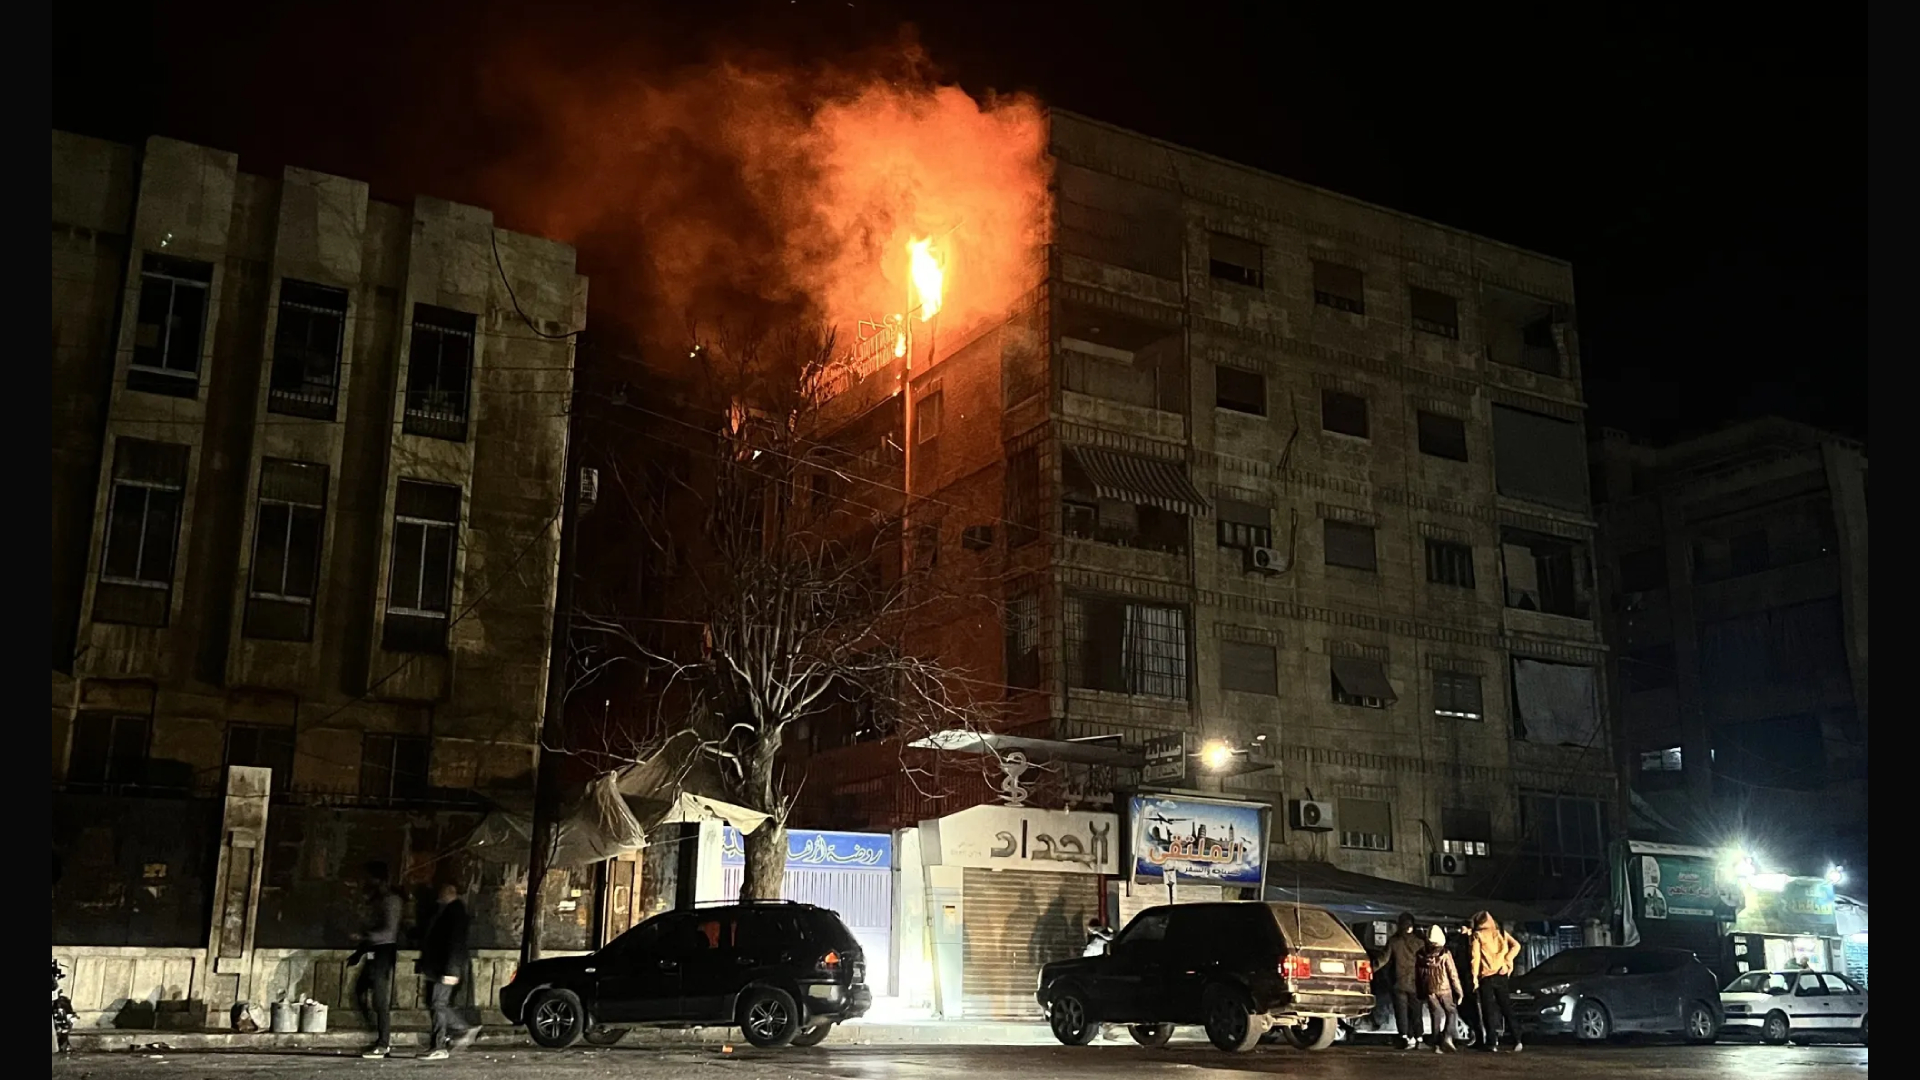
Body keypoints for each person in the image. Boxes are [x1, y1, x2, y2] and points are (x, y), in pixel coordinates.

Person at [418, 882, 477, 1060]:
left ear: (449, 893)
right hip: (439, 967)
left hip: (445, 967)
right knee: (434, 1002)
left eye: (441, 892)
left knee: (438, 1004)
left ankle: (444, 1042)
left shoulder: (455, 913)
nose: (439, 896)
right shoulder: (448, 911)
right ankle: (447, 1037)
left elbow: (455, 944)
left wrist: (451, 970)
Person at [351, 862, 405, 1058]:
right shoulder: (378, 899)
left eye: (369, 878)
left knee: (379, 998)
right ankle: (378, 1034)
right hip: (374, 951)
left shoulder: (391, 901)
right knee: (361, 991)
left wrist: (365, 936)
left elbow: (388, 932)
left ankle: (383, 1042)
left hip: (383, 952)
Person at [1468, 911, 1523, 1053]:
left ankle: (1492, 1042)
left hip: (1486, 976)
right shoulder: (1501, 933)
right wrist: (1507, 961)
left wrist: (1474, 978)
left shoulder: (1478, 935)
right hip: (1501, 974)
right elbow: (1516, 946)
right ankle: (1517, 1039)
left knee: (1488, 1010)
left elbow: (1475, 958)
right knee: (1506, 1007)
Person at [1380, 912, 1426, 1049]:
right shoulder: (1420, 943)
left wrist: (1371, 967)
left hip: (1398, 982)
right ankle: (1419, 1038)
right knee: (1416, 1012)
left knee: (1401, 1012)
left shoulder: (1394, 942)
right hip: (1415, 983)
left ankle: (1404, 1037)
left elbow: (1383, 959)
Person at [1418, 925, 1463, 1053]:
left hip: (1430, 989)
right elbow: (1453, 974)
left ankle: (1436, 1043)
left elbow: (1419, 975)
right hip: (1445, 989)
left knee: (1436, 1015)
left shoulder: (1421, 954)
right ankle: (1447, 1036)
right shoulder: (1445, 954)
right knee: (1451, 1011)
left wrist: (1421, 991)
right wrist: (1459, 991)